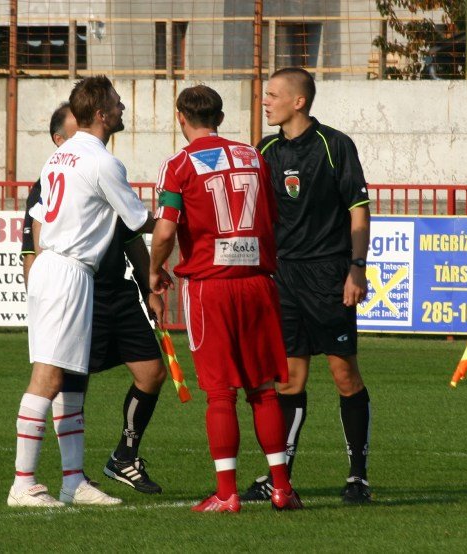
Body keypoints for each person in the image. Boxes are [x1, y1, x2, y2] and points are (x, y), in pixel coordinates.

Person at [151, 84, 301, 513]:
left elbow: (164, 231)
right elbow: (271, 215)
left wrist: (154, 271)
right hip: (257, 282)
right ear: (219, 116)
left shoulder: (178, 165)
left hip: (209, 286)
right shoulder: (254, 157)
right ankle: (281, 488)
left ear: (182, 118)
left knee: (220, 394)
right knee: (264, 390)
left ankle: (226, 493)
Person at [7, 76, 156, 508]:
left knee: (70, 383)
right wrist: (180, 212)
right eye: (116, 102)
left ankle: (73, 480)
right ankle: (23, 484)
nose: (123, 106)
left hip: (58, 268)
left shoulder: (61, 155)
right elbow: (137, 221)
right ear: (102, 114)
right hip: (68, 270)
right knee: (48, 377)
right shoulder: (101, 161)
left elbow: (37, 216)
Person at [241, 67, 373, 504]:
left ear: (298, 101)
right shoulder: (265, 150)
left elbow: (357, 209)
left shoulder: (335, 146)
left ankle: (357, 476)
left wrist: (357, 268)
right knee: (289, 380)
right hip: (283, 278)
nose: (266, 101)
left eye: (274, 94)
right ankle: (280, 477)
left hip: (328, 275)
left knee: (343, 373)